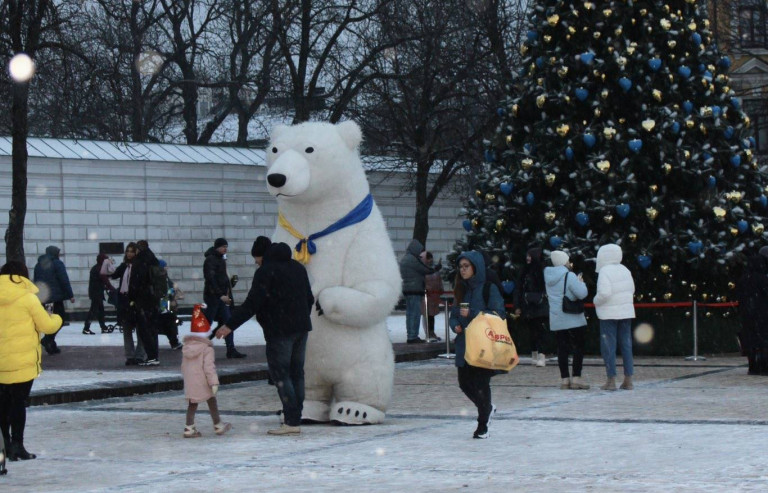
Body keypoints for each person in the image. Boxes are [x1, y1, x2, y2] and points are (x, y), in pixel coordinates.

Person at [216, 242, 314, 435]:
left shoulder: (266, 271)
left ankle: (292, 421)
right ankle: (295, 417)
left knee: (282, 375)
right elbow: (309, 298)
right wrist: (300, 316)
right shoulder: (298, 268)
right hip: (301, 328)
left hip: (279, 330)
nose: (256, 263)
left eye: (256, 259)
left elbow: (252, 304)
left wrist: (229, 325)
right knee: (297, 373)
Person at [0, 261, 63, 462]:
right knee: (18, 403)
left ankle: (5, 445)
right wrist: (57, 318)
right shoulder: (28, 299)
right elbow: (47, 325)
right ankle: (18, 446)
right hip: (23, 362)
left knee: (2, 405)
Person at [449, 251, 506, 439]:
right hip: (464, 344)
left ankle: (482, 425)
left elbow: (498, 314)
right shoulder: (462, 289)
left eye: (466, 266)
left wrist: (472, 313)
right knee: (464, 383)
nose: (463, 270)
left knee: (481, 383)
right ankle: (487, 408)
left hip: (483, 344)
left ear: (476, 267)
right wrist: (454, 324)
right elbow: (454, 314)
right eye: (461, 266)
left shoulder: (488, 288)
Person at [544, 250, 590, 390]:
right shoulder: (569, 275)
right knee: (578, 347)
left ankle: (564, 379)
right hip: (573, 317)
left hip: (557, 317)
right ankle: (576, 378)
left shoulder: (548, 276)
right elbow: (581, 294)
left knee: (562, 349)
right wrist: (581, 282)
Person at [594, 244, 636, 390]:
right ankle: (628, 379)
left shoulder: (605, 271)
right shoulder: (625, 269)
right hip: (626, 312)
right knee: (626, 344)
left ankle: (611, 379)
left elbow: (604, 293)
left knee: (608, 346)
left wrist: (596, 301)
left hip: (608, 314)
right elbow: (632, 289)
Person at [181, 316, 232, 438]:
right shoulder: (207, 349)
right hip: (204, 381)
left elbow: (184, 367)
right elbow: (209, 368)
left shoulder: (186, 348)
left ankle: (189, 427)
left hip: (190, 381)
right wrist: (214, 382)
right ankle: (218, 425)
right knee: (211, 400)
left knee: (192, 403)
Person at [203, 238, 245, 359]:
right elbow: (210, 279)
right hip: (213, 297)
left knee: (227, 322)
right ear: (217, 247)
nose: (225, 249)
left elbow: (222, 279)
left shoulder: (221, 259)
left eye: (226, 247)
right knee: (208, 322)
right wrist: (220, 294)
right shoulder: (211, 260)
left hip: (222, 297)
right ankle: (200, 346)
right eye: (223, 247)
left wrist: (229, 285)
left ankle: (230, 348)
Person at [32, 245, 74, 355]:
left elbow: (36, 280)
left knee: (49, 320)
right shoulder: (57, 263)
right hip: (56, 298)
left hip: (44, 298)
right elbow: (64, 279)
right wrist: (70, 295)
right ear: (55, 253)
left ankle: (51, 344)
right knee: (60, 319)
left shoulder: (38, 264)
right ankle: (48, 340)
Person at [111, 243, 146, 365]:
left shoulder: (141, 265)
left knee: (140, 329)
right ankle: (130, 355)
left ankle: (140, 354)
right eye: (128, 251)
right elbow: (113, 275)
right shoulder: (124, 266)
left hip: (137, 300)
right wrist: (109, 264)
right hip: (125, 300)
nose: (129, 253)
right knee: (126, 329)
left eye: (132, 251)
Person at [399, 239, 440, 344]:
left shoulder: (405, 259)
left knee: (409, 314)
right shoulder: (412, 259)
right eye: (419, 250)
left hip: (407, 290)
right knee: (415, 314)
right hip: (415, 290)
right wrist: (435, 269)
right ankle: (413, 336)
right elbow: (424, 269)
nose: (420, 252)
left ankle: (410, 335)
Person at [514, 247, 549, 367]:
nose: (528, 258)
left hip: (540, 304)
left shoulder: (543, 270)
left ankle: (541, 355)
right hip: (528, 304)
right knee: (532, 331)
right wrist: (517, 305)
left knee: (540, 330)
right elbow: (518, 288)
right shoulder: (524, 271)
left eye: (530, 256)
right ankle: (534, 354)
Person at [735, 253, 768, 375]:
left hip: (748, 314)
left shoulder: (744, 279)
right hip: (763, 314)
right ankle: (764, 366)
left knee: (751, 341)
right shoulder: (762, 279)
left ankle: (753, 366)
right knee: (763, 341)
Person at [130, 240, 161, 366]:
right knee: (153, 329)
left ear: (138, 249)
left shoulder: (138, 262)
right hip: (154, 299)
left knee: (144, 329)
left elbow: (135, 283)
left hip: (142, 299)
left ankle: (151, 356)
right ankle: (155, 355)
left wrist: (132, 298)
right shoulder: (154, 260)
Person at [156, 260, 183, 350]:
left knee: (169, 322)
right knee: (169, 322)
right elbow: (166, 291)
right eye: (165, 266)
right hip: (163, 303)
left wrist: (174, 294)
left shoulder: (165, 277)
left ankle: (174, 341)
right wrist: (171, 296)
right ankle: (174, 341)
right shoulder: (161, 278)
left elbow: (170, 288)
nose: (166, 268)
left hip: (166, 303)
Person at [83, 254, 111, 335]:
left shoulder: (97, 267)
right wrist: (111, 288)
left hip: (96, 292)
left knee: (100, 310)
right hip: (96, 293)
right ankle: (86, 328)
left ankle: (103, 327)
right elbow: (105, 280)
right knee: (94, 310)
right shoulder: (99, 268)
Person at [420, 251, 443, 342]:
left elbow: (439, 280)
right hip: (426, 297)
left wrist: (441, 289)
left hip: (434, 296)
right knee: (427, 316)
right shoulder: (422, 270)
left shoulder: (434, 270)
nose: (430, 260)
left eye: (431, 258)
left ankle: (432, 332)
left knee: (432, 316)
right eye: (428, 258)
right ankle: (428, 334)